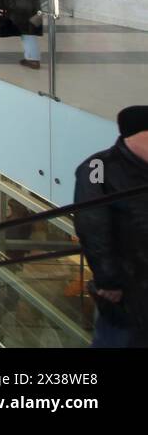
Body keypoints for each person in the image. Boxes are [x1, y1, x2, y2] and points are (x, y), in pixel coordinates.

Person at [74, 105, 148, 347]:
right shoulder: (98, 167)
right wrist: (109, 281)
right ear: (138, 135)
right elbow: (92, 226)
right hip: (125, 293)